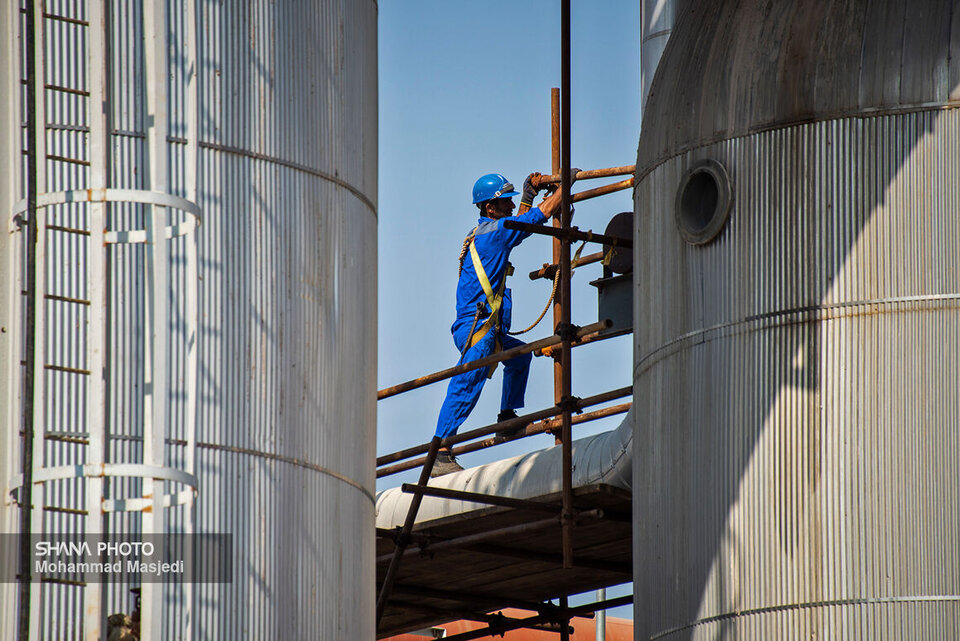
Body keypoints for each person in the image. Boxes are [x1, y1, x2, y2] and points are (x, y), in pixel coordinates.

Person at [431, 171, 572, 477]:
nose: (510, 206)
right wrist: (568, 184)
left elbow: (523, 222)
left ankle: (507, 417)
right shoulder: (495, 233)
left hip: (486, 327)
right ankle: (441, 450)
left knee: (519, 357)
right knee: (466, 383)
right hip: (478, 329)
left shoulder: (489, 231)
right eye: (505, 202)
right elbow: (542, 215)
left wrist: (529, 195)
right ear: (490, 208)